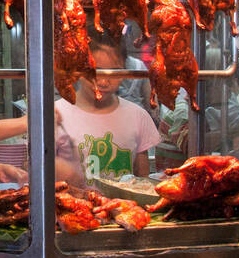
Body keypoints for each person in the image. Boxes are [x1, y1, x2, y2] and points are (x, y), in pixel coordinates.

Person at [55, 35, 162, 179]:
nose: (104, 82)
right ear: (77, 68)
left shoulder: (138, 116)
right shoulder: (55, 115)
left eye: (113, 72)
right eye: (95, 71)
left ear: (124, 69)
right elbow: (31, 169)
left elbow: (142, 180)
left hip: (124, 202)